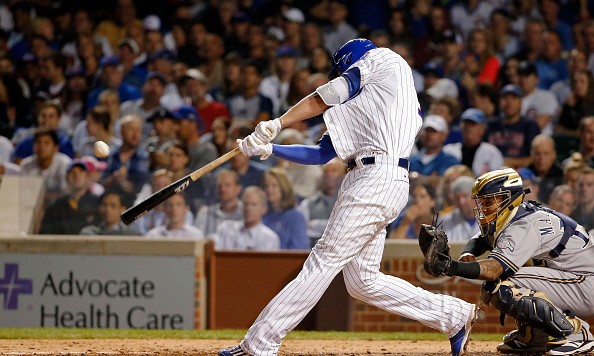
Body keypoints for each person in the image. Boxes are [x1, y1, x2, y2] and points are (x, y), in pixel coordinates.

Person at [219, 38, 475, 356]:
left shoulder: (383, 59)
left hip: (375, 177)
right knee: (362, 281)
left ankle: (260, 344)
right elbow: (321, 153)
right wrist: (270, 149)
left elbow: (326, 95)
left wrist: (277, 123)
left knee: (323, 261)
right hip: (377, 179)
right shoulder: (377, 103)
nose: (341, 77)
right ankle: (453, 316)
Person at [440, 168, 594, 355]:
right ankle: (534, 338)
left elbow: (493, 270)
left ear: (510, 198)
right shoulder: (517, 215)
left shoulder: (526, 223)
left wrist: (451, 267)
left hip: (585, 282)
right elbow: (479, 239)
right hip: (575, 279)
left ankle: (578, 333)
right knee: (510, 282)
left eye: (489, 201)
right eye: (482, 202)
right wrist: (466, 254)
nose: (484, 208)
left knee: (502, 284)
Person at [39, 159, 100, 234]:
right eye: (72, 172)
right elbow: (45, 232)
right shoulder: (55, 206)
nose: (76, 175)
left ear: (87, 176)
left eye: (81, 171)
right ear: (66, 177)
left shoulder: (98, 203)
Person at [214, 186, 280, 251]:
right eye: (246, 204)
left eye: (253, 205)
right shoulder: (226, 229)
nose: (248, 209)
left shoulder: (269, 238)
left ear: (264, 209)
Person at [262, 167, 309, 250]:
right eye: (266, 186)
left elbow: (299, 249)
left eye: (274, 186)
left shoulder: (296, 217)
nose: (269, 190)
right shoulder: (262, 214)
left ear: (283, 188)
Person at [194, 169, 243, 238]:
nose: (222, 189)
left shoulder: (246, 213)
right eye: (219, 186)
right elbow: (197, 241)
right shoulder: (205, 213)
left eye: (227, 185)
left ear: (238, 189)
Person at [437, 176, 479, 242]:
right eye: (457, 198)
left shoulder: (492, 219)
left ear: (476, 196)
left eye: (465, 196)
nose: (461, 202)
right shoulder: (445, 221)